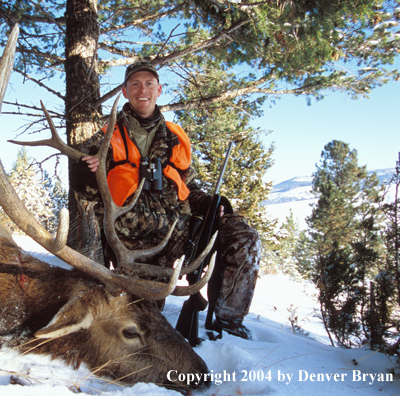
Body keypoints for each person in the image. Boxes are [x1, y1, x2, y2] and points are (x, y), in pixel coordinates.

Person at [69, 60, 261, 339]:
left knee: (243, 234)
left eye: (148, 84)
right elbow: (86, 196)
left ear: (159, 90)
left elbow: (186, 184)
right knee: (144, 316)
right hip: (136, 244)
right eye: (134, 84)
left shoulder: (175, 136)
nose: (142, 90)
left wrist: (208, 203)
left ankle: (228, 322)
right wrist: (85, 173)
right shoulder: (106, 137)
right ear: (125, 91)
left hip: (180, 230)